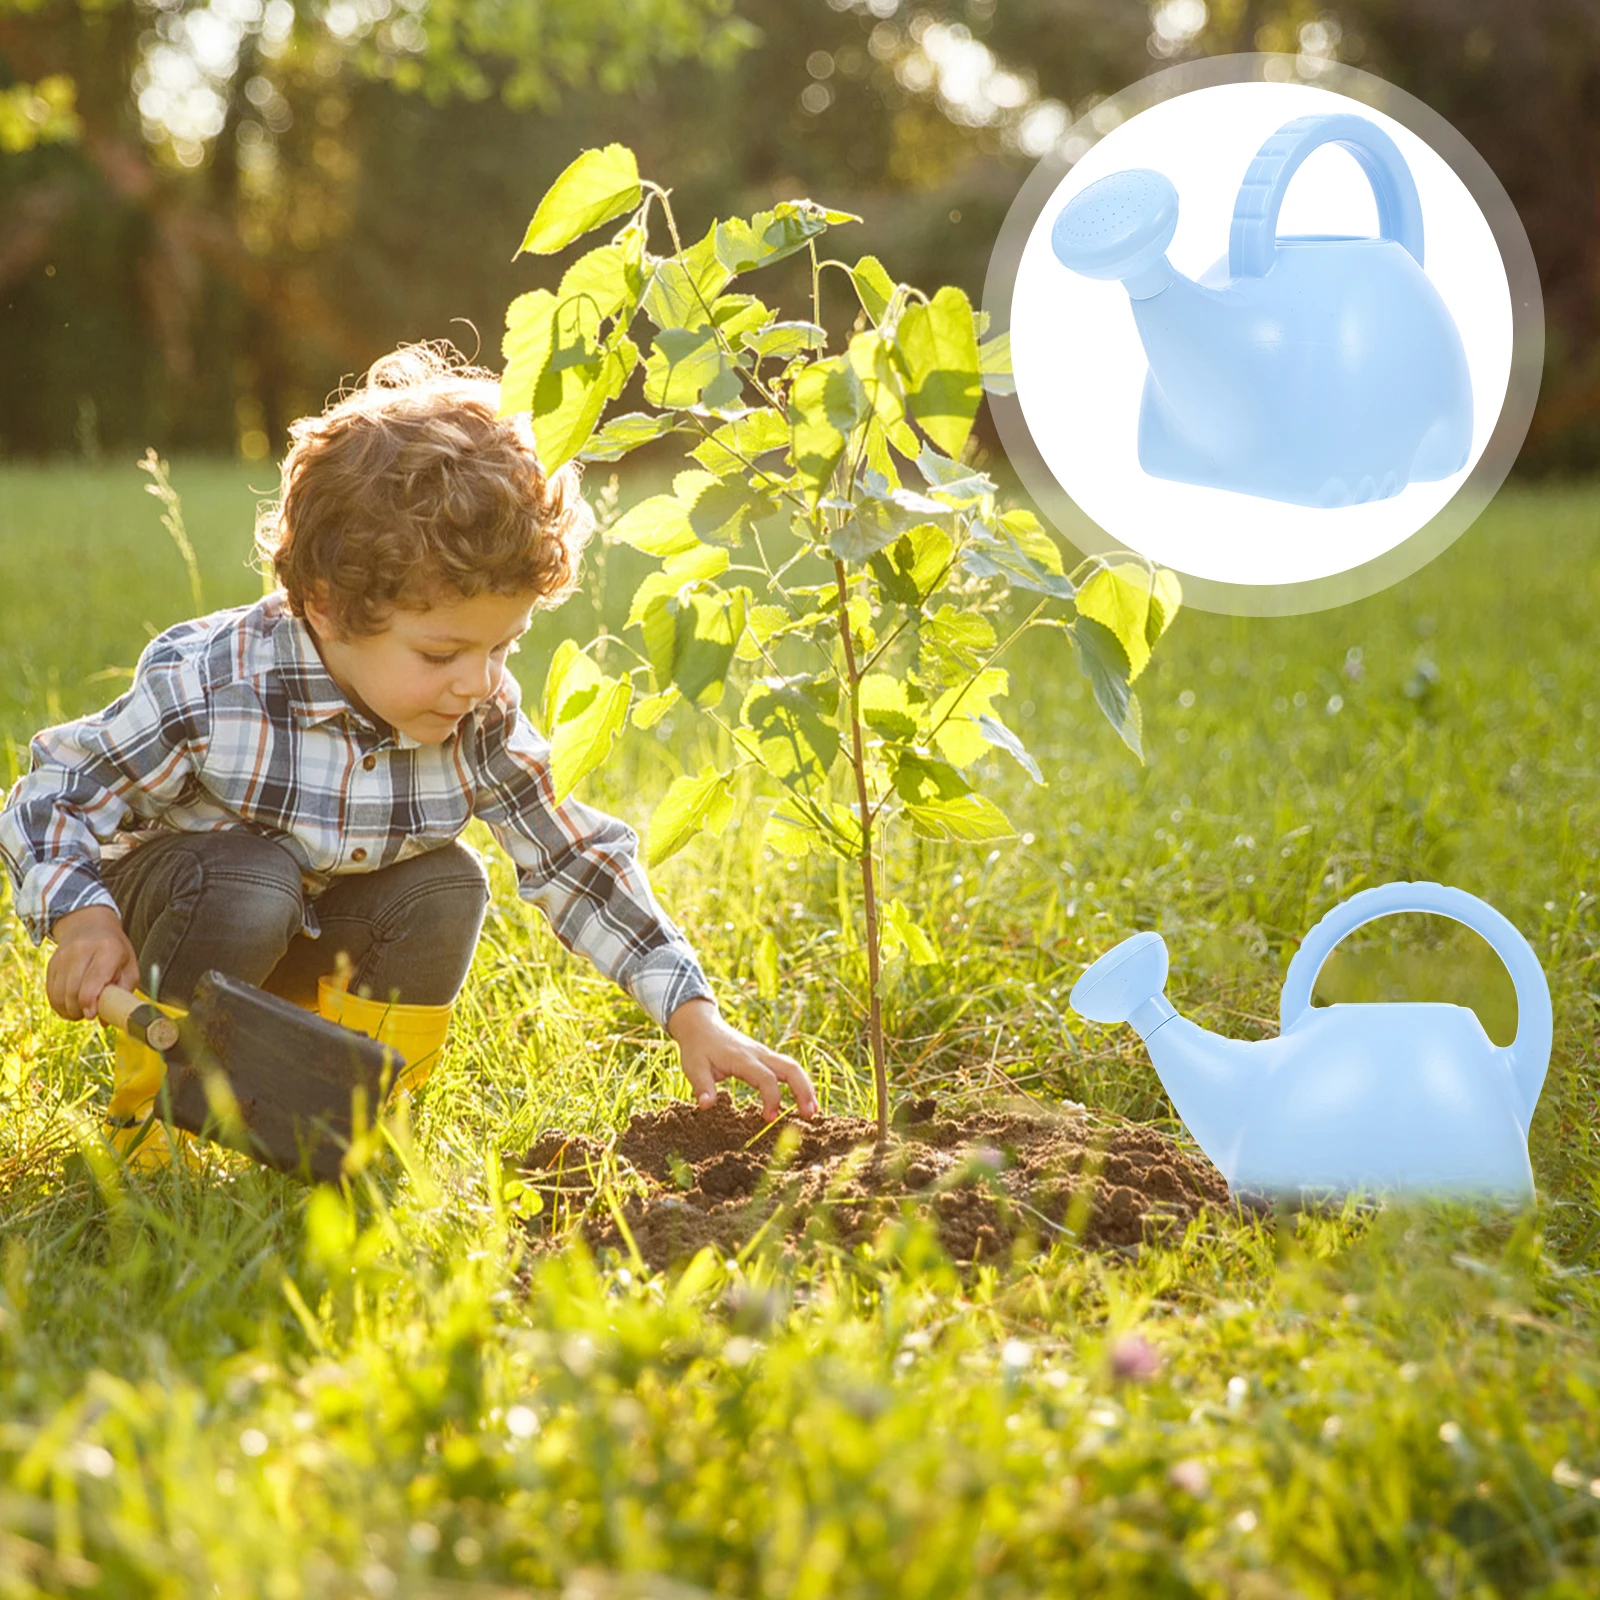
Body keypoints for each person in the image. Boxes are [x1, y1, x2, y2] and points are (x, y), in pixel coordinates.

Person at [0, 341, 817, 1148]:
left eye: (503, 647)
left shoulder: (479, 717)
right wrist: (84, 921)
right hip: (192, 921)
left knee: (445, 886)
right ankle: (157, 1121)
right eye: (441, 654)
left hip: (316, 943)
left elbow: (575, 858)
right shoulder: (219, 691)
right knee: (254, 880)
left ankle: (344, 1120)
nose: (478, 682)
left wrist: (693, 1014)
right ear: (326, 606)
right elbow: (56, 793)